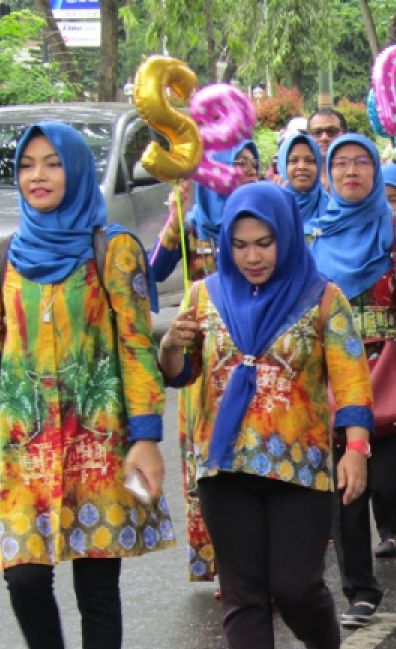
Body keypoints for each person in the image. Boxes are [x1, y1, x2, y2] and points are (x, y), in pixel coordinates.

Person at [0, 122, 173, 649]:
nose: (38, 175)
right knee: (23, 579)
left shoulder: (115, 250)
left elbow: (135, 349)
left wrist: (146, 438)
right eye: (28, 165)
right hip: (23, 446)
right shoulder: (1, 254)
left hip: (100, 446)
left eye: (52, 164)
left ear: (76, 171)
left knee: (97, 592)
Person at [157, 183, 372, 649]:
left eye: (265, 243)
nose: (253, 256)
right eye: (242, 244)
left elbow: (351, 379)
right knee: (243, 590)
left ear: (287, 238)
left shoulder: (323, 298)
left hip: (298, 465)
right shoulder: (203, 296)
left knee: (296, 585)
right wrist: (172, 345)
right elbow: (178, 373)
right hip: (224, 463)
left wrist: (356, 447)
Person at [310, 134, 396, 629]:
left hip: (391, 376)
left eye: (362, 162)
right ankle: (360, 587)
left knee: (394, 485)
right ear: (328, 176)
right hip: (333, 380)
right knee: (345, 486)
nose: (351, 171)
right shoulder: (312, 239)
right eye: (340, 164)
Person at [149, 142, 260, 583]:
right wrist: (178, 214)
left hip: (258, 351)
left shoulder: (267, 228)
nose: (238, 174)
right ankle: (222, 562)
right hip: (203, 359)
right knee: (207, 463)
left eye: (247, 165)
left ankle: (257, 563)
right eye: (229, 166)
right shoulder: (192, 226)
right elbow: (153, 272)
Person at [277, 131, 328, 230]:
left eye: (310, 161)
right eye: (293, 161)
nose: (302, 167)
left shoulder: (332, 209)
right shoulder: (272, 209)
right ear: (283, 165)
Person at [308, 108, 348, 190]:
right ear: (308, 136)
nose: (324, 138)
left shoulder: (357, 175)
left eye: (331, 131)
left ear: (344, 134)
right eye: (317, 132)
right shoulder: (298, 177)